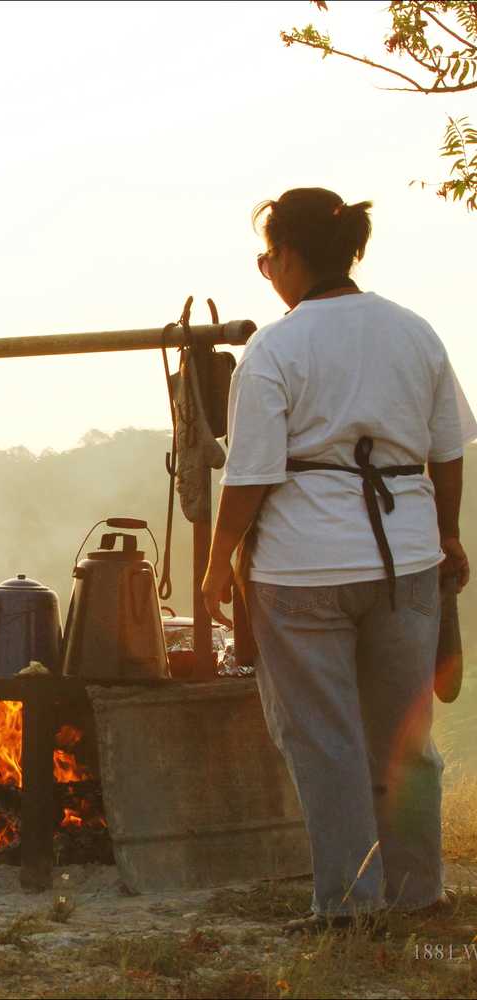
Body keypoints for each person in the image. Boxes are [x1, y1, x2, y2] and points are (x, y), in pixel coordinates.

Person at [202, 187, 475, 933]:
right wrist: (446, 533)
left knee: (326, 741)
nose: (267, 271)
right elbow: (447, 448)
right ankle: (419, 894)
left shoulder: (277, 347)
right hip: (406, 562)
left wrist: (218, 560)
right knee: (403, 740)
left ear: (288, 256)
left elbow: (252, 473)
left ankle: (349, 907)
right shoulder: (412, 332)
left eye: (267, 259)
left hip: (303, 572)